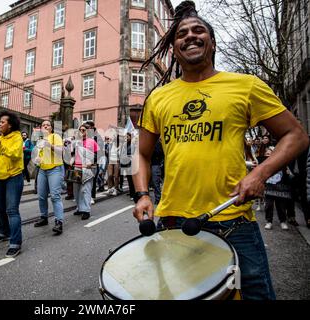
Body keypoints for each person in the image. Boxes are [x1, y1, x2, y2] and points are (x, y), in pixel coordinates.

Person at [133, 1, 309, 300]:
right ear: (174, 48)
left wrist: (260, 174)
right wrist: (142, 194)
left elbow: (296, 135)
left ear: (212, 43)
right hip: (174, 222)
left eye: (198, 30)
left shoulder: (246, 86)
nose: (190, 36)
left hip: (234, 222)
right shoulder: (158, 98)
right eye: (182, 34)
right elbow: (142, 154)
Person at [0, 111, 24, 258]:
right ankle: (4, 232)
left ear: (10, 125)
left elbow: (14, 155)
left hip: (13, 176)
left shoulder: (17, 137)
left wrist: (0, 145)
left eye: (2, 122)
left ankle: (16, 242)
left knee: (12, 210)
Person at [32, 120, 65, 234]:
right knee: (41, 196)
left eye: (48, 125)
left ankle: (59, 222)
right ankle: (44, 217)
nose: (45, 126)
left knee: (55, 196)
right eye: (43, 125)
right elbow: (38, 154)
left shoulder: (55, 136)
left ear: (51, 128)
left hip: (55, 168)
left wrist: (49, 145)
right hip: (42, 169)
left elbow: (61, 151)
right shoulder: (40, 139)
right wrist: (37, 159)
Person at [71, 123, 99, 220]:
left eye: (83, 130)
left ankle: (86, 210)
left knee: (85, 189)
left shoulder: (92, 142)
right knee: (76, 190)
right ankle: (79, 208)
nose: (81, 132)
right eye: (80, 130)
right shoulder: (76, 142)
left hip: (88, 168)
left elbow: (98, 155)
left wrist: (91, 164)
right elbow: (71, 154)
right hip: (77, 168)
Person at [120, 132, 135, 200]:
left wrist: (129, 156)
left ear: (130, 137)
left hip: (132, 164)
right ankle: (131, 194)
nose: (126, 138)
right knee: (129, 179)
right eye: (125, 137)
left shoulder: (133, 145)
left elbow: (134, 154)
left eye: (127, 137)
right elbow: (122, 154)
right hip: (126, 163)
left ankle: (134, 194)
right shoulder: (124, 145)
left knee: (133, 180)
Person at [150, 139, 164, 205]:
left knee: (155, 182)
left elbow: (160, 153)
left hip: (155, 164)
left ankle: (158, 198)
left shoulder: (157, 142)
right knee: (153, 182)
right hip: (149, 164)